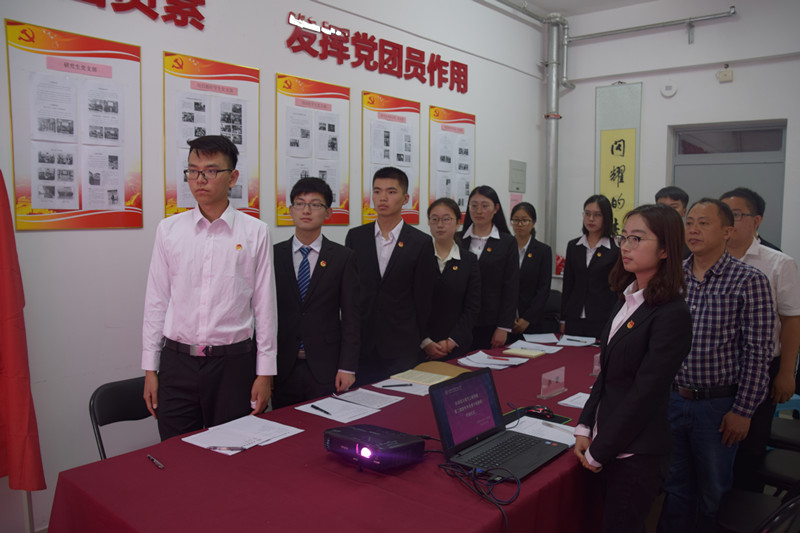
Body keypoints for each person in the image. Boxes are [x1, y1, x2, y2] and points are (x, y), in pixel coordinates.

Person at [141, 135, 276, 440]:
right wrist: (150, 368)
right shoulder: (169, 230)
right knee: (177, 453)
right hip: (177, 363)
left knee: (233, 452)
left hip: (233, 365)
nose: (200, 180)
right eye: (193, 171)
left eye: (211, 171)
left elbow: (265, 307)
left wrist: (265, 373)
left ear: (233, 177)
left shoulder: (255, 232)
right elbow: (156, 301)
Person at [658, 198, 775, 533]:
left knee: (714, 492)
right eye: (690, 222)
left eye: (704, 223)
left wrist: (744, 411)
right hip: (673, 400)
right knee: (674, 486)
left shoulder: (749, 280)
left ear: (727, 231)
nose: (693, 230)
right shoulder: (673, 276)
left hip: (718, 407)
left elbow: (758, 353)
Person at [574, 204, 692, 533]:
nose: (626, 246)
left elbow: (645, 394)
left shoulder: (672, 313)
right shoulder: (627, 299)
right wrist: (584, 426)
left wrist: (601, 449)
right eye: (624, 237)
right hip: (608, 439)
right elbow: (607, 374)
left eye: (637, 239)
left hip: (636, 453)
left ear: (665, 249)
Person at [720, 188, 800, 491]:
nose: (729, 222)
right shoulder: (712, 260)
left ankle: (744, 506)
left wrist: (786, 372)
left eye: (736, 215)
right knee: (717, 443)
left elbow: (791, 321)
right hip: (719, 367)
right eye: (723, 215)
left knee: (749, 446)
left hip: (761, 367)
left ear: (756, 221)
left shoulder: (778, 263)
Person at [272, 178, 360, 408]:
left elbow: (351, 317)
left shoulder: (342, 257)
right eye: (300, 203)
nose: (306, 210)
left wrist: (347, 367)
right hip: (282, 366)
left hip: (326, 367)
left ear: (328, 212)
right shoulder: (274, 255)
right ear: (290, 210)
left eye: (315, 204)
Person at [345, 167, 436, 384]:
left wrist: (417, 337)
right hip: (363, 344)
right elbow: (351, 292)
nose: (382, 198)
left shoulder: (420, 242)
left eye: (391, 192)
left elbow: (423, 297)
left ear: (405, 199)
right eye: (377, 191)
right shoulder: (356, 237)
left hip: (402, 344)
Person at [459, 186, 519, 350]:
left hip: (492, 322)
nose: (478, 211)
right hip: (460, 321)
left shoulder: (507, 242)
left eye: (485, 205)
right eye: (474, 205)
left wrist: (504, 327)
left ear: (496, 208)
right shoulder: (459, 239)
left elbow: (511, 287)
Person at [422, 198, 481, 360]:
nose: (440, 225)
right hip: (422, 346)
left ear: (458, 223)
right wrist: (425, 342)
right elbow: (410, 304)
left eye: (446, 219)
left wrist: (452, 341)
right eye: (434, 219)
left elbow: (472, 306)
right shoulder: (418, 257)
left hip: (458, 345)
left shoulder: (469, 261)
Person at [561, 194, 619, 339]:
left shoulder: (615, 250)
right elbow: (568, 284)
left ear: (606, 217)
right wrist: (563, 318)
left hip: (602, 318)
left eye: (597, 215)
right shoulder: (574, 246)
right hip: (574, 317)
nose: (591, 219)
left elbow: (616, 289)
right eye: (587, 214)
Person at [509, 202, 552, 337]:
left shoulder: (543, 251)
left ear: (533, 223)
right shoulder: (505, 248)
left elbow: (543, 289)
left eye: (525, 220)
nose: (520, 224)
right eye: (516, 220)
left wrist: (527, 319)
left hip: (532, 322)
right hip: (506, 320)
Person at [655, 186, 691, 258]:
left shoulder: (691, 237)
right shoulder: (648, 235)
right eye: (662, 207)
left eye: (674, 207)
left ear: (684, 212)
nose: (667, 211)